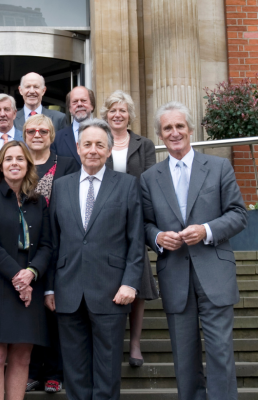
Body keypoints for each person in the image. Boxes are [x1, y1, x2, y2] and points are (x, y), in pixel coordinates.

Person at [140, 101, 248, 400]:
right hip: (175, 274)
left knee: (220, 353)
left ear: (190, 130)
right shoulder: (150, 178)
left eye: (179, 126)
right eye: (167, 128)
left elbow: (238, 214)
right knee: (184, 358)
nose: (174, 133)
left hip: (215, 272)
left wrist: (206, 230)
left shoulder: (218, 167)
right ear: (160, 135)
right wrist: (160, 237)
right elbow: (146, 224)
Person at [48, 118, 144, 400]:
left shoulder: (127, 185)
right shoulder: (60, 186)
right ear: (78, 148)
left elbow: (136, 240)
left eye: (99, 145)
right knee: (75, 372)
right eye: (87, 144)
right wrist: (51, 287)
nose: (93, 150)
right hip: (68, 290)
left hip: (112, 290)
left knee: (107, 370)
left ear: (109, 150)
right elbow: (53, 242)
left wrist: (130, 283)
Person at [0, 141, 53, 400]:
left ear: (28, 164)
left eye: (19, 159)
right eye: (8, 159)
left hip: (31, 280)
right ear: (0, 166)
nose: (14, 163)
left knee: (22, 355)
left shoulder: (38, 201)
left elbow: (48, 244)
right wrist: (18, 276)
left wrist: (31, 273)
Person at [100, 90, 159, 367]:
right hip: (105, 218)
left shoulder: (143, 144)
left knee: (136, 281)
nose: (117, 115)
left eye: (122, 110)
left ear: (129, 114)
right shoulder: (100, 140)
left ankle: (134, 344)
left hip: (135, 216)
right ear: (106, 114)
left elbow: (150, 181)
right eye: (113, 110)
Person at [23, 114, 78, 392]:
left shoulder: (67, 165)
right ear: (24, 134)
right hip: (24, 251)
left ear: (52, 135)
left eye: (43, 131)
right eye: (31, 130)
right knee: (30, 313)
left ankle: (55, 372)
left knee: (55, 312)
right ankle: (32, 371)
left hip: (59, 246)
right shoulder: (18, 163)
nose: (37, 134)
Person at [52, 86, 95, 166]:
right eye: (75, 102)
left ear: (92, 105)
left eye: (83, 100)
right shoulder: (57, 139)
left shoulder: (105, 133)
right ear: (69, 109)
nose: (79, 104)